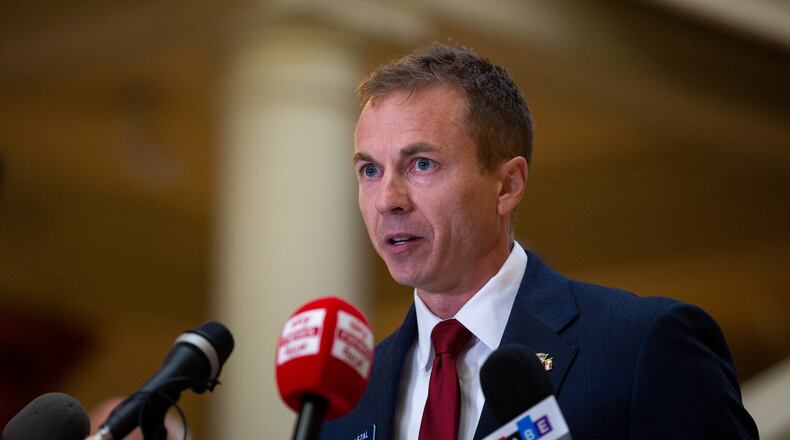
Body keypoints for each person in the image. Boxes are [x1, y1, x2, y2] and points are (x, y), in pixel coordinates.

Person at [321, 43, 757, 439]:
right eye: (370, 171)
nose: (388, 201)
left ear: (507, 185)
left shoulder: (643, 347)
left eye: (421, 164)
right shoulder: (344, 401)